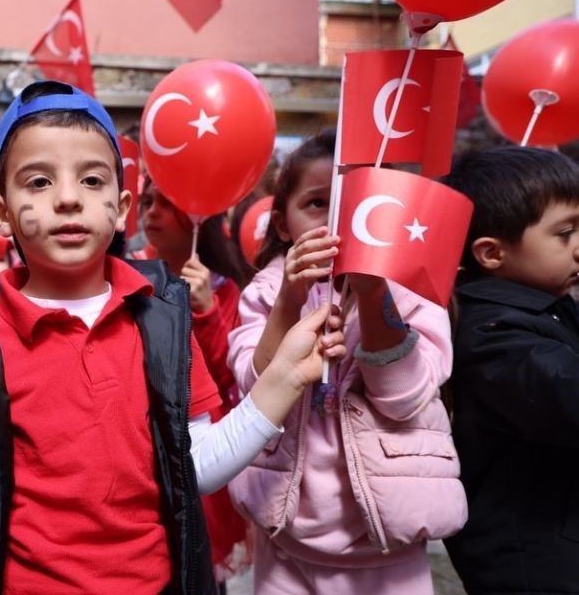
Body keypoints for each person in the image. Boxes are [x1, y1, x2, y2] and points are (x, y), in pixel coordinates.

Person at [0, 81, 347, 594]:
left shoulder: (163, 320)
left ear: (122, 209)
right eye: (38, 181)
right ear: (3, 212)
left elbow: (195, 464)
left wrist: (285, 378)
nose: (67, 198)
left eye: (91, 180)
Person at [226, 129, 467, 594]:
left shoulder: (413, 292)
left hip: (387, 547)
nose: (339, 221)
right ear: (282, 224)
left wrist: (375, 294)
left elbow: (404, 401)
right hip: (287, 543)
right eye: (318, 203)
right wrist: (288, 301)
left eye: (362, 205)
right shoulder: (265, 291)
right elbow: (257, 389)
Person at [440, 147, 579, 593]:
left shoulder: (550, 304)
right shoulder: (490, 334)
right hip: (533, 563)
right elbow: (565, 390)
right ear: (492, 253)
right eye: (565, 233)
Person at [139, 178, 254, 581]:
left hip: (195, 443)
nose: (150, 211)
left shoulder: (223, 288)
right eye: (146, 200)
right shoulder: (125, 273)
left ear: (198, 219)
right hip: (138, 441)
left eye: (165, 203)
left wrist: (205, 311)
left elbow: (229, 375)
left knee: (196, 563)